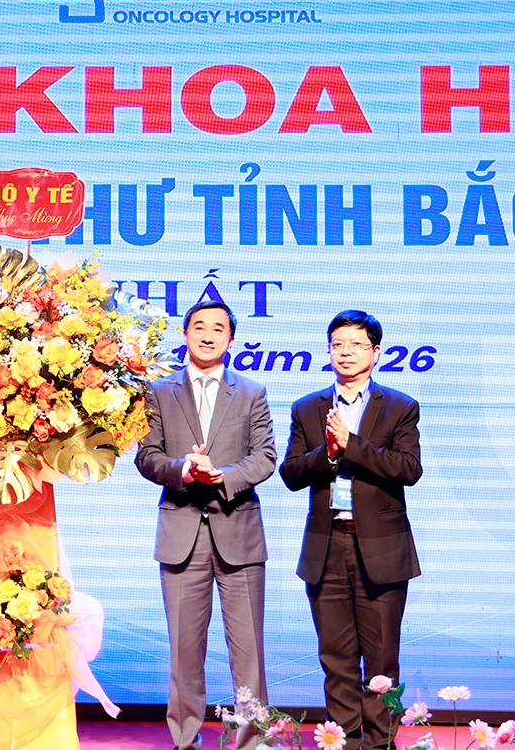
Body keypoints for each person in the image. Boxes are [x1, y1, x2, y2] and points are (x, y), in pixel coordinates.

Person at [135, 301, 276, 750]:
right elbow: (147, 456)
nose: (208, 335)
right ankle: (185, 738)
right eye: (199, 327)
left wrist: (223, 476)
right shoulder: (159, 392)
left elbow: (265, 457)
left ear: (231, 339)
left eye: (218, 328)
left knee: (249, 649)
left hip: (239, 532)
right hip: (181, 533)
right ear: (185, 334)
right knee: (184, 648)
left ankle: (252, 739)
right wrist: (183, 469)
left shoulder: (252, 392)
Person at [280, 310, 422, 750]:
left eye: (357, 345)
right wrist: (328, 452)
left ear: (375, 353)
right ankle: (340, 741)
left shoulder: (399, 407)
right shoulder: (307, 408)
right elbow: (291, 473)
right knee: (336, 658)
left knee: (381, 660)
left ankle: (379, 744)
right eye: (337, 344)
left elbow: (408, 469)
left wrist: (351, 446)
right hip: (327, 546)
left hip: (381, 548)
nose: (346, 352)